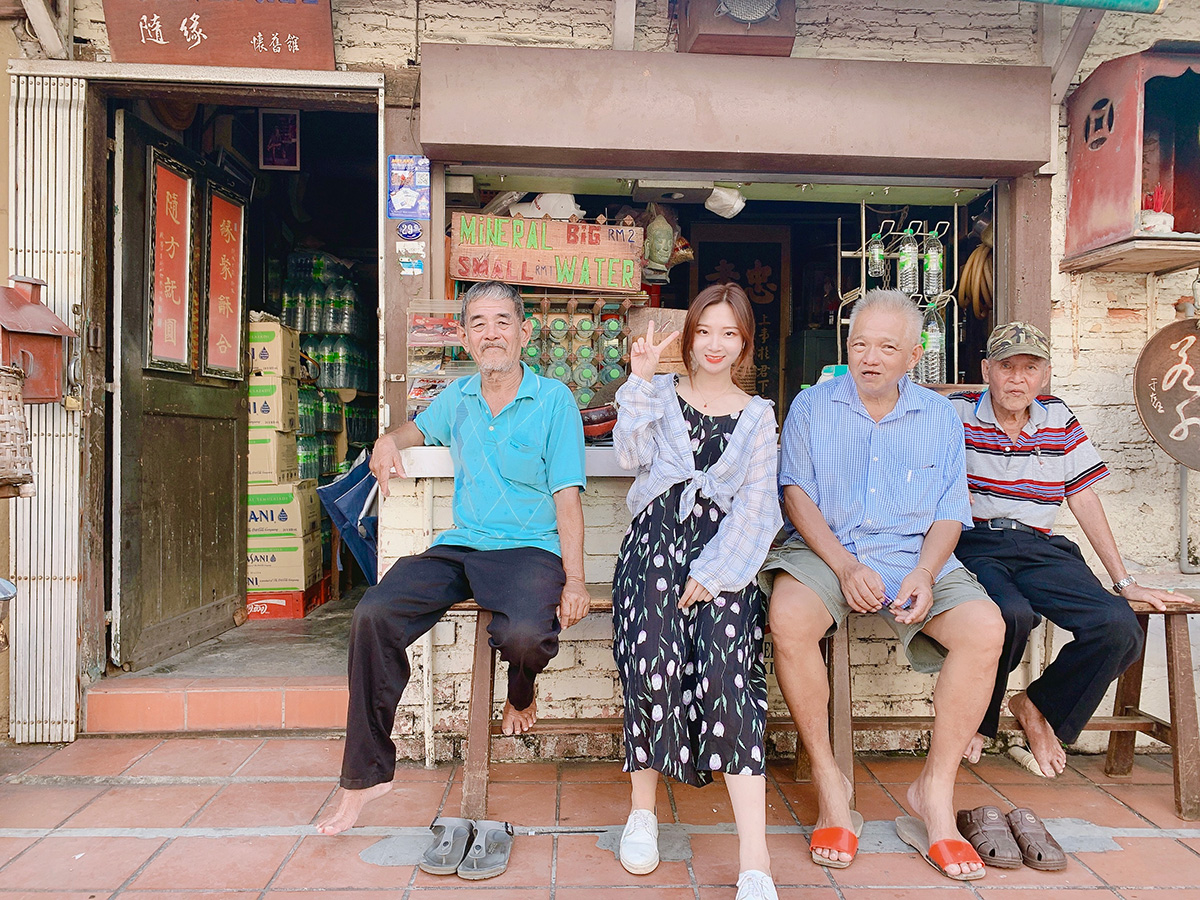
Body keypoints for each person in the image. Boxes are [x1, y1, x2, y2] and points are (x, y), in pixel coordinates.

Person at [316, 280, 591, 841]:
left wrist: (576, 580)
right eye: (480, 324)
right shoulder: (458, 398)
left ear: (524, 331)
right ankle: (366, 775)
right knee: (374, 613)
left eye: (503, 322)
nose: (492, 333)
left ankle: (521, 691)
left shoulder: (555, 399)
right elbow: (412, 429)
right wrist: (388, 440)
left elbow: (567, 494)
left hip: (529, 549)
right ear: (464, 335)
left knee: (524, 639)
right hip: (463, 543)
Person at [762, 289, 1004, 881]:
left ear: (914, 354)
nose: (869, 357)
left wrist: (924, 571)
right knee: (788, 619)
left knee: (985, 628)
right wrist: (844, 565)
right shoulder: (813, 406)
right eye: (859, 344)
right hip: (830, 549)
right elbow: (795, 494)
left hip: (912, 555)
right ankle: (831, 781)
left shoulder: (940, 417)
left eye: (886, 347)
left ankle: (934, 795)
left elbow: (950, 509)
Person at [950, 322, 1186, 777]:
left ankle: (1038, 706)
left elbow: (1082, 496)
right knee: (1009, 615)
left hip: (1040, 546)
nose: (1017, 379)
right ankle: (977, 721)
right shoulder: (955, 413)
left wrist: (1125, 582)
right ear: (986, 370)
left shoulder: (1057, 417)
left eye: (1029, 368)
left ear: (1044, 375)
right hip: (976, 544)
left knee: (1119, 627)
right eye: (1006, 366)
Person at [611, 283, 782, 900]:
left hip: (725, 562)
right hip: (652, 548)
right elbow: (629, 453)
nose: (715, 345)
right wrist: (639, 378)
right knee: (651, 665)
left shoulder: (760, 417)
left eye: (729, 333)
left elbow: (759, 509)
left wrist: (713, 573)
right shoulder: (657, 395)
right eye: (705, 331)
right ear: (689, 337)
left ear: (744, 344)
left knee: (731, 678)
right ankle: (642, 812)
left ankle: (755, 858)